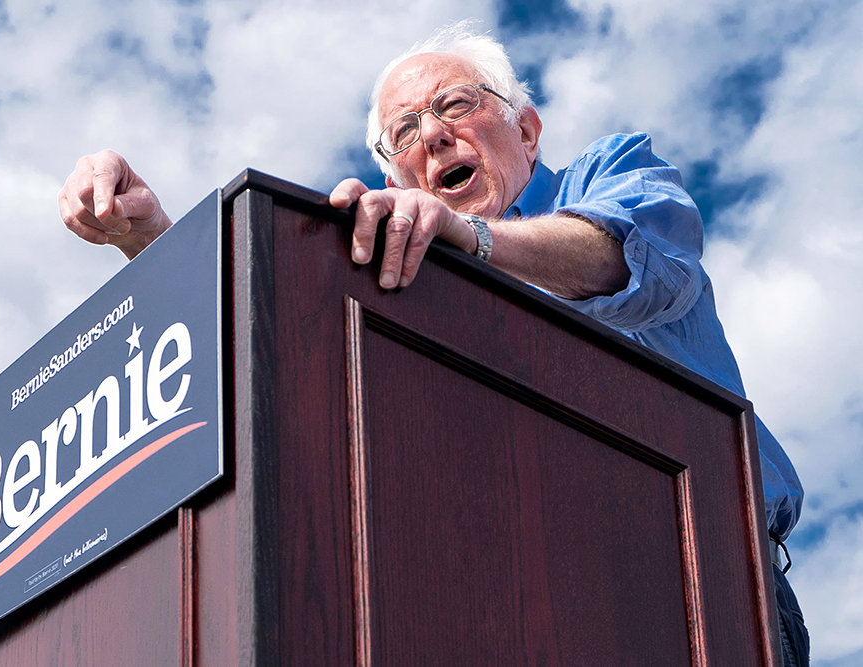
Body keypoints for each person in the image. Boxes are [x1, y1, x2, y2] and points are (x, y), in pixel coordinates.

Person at [58, 23, 808, 666]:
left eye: (455, 105)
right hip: (497, 596)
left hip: (702, 582)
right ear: (393, 172)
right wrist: (148, 243)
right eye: (406, 132)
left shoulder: (608, 176)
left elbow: (633, 261)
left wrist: (471, 238)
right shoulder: (391, 267)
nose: (434, 135)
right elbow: (263, 366)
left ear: (527, 128)